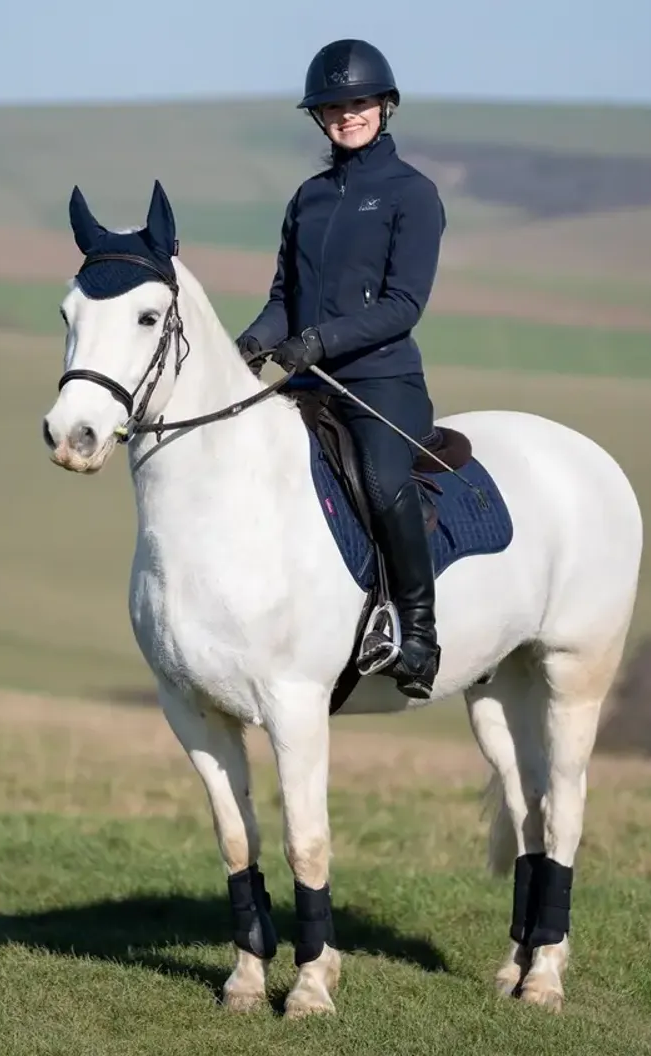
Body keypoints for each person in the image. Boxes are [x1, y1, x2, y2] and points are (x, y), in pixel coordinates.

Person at [235, 38, 447, 700]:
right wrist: (248, 343)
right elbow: (283, 300)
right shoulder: (310, 198)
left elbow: (403, 305)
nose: (346, 115)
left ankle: (418, 636)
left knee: (384, 482)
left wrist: (319, 341)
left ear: (384, 106)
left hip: (381, 384)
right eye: (332, 106)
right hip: (304, 381)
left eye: (358, 102)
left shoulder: (413, 195)